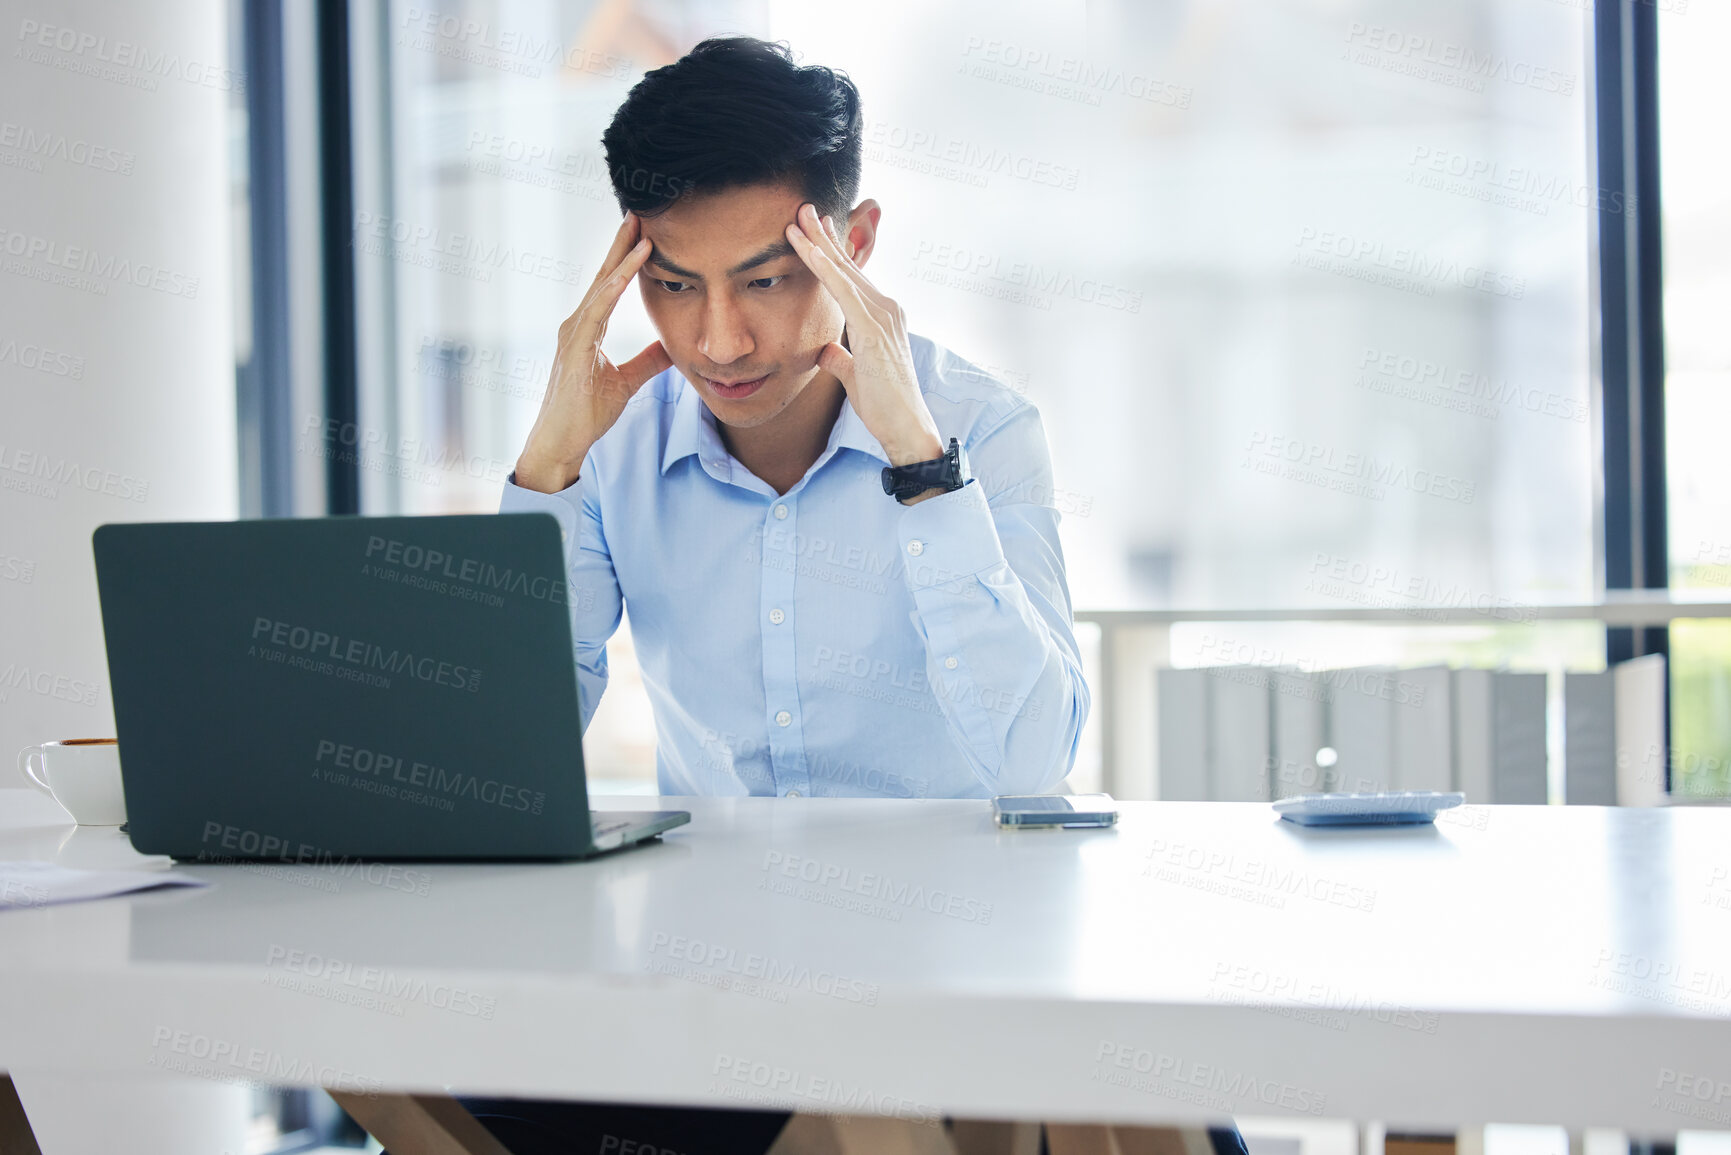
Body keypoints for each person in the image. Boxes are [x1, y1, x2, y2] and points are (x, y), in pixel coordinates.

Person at [413, 34, 1235, 1155]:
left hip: (962, 962)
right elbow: (505, 774)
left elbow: (1033, 757)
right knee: (445, 1093)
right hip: (716, 984)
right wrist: (545, 475)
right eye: (672, 285)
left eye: (767, 278)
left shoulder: (981, 429)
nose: (719, 338)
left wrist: (919, 467)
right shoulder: (607, 450)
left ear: (855, 245)